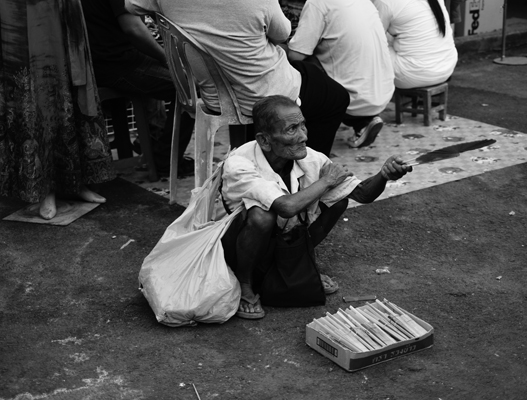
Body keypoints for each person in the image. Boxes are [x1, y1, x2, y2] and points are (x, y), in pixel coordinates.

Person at [220, 95, 412, 319]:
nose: (303, 136)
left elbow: (362, 193)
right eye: (292, 129)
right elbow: (286, 207)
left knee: (339, 201)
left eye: (302, 125)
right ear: (264, 140)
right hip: (235, 247)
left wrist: (384, 175)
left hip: (279, 239)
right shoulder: (239, 164)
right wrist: (326, 182)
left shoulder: (310, 158)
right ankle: (244, 283)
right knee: (262, 216)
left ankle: (302, 263)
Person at [124, 0, 349, 157]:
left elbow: (131, 6)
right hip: (262, 93)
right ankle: (302, 173)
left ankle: (263, 150)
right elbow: (281, 34)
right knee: (336, 97)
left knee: (302, 70)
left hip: (212, 95)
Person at [0, 0, 115, 220]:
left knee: (69, 82)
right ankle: (45, 188)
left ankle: (75, 181)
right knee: (37, 89)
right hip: (18, 13)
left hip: (61, 9)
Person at [81, 0, 195, 177]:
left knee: (172, 73)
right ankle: (165, 159)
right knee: (191, 88)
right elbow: (133, 29)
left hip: (102, 60)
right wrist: (168, 60)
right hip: (117, 63)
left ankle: (152, 143)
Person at [286, 0, 395, 149]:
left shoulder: (318, 3)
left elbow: (295, 55)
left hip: (351, 100)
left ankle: (305, 129)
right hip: (383, 93)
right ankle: (362, 123)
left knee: (300, 65)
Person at [372, 0, 458, 89]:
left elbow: (372, 38)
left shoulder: (385, 2)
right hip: (446, 67)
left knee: (374, 41)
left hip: (413, 74)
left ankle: (372, 96)